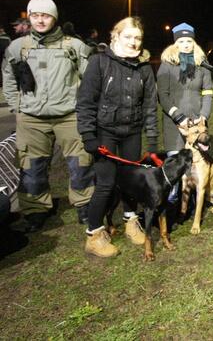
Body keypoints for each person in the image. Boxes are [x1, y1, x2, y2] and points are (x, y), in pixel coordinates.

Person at [2, 0, 94, 232]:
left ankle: (85, 205)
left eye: (46, 15)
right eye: (35, 15)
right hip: (31, 119)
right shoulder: (17, 47)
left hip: (69, 116)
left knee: (81, 163)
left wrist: (85, 108)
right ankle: (35, 210)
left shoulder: (73, 46)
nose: (40, 20)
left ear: (54, 17)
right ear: (29, 17)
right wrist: (18, 108)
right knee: (31, 167)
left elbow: (90, 80)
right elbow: (9, 79)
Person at [76, 16, 159, 257]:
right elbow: (85, 102)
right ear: (115, 36)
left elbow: (150, 107)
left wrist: (152, 140)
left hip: (132, 132)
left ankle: (131, 221)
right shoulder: (99, 63)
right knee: (106, 183)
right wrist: (88, 134)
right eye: (128, 37)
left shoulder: (144, 68)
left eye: (138, 38)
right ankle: (94, 234)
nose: (134, 42)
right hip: (105, 133)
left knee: (132, 181)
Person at [157, 23, 213, 157]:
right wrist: (178, 116)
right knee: (177, 167)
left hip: (197, 123)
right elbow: (162, 95)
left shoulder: (202, 65)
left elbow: (208, 92)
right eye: (181, 41)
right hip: (174, 123)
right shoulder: (167, 65)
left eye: (189, 41)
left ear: (194, 43)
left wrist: (203, 115)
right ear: (175, 43)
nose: (186, 44)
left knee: (197, 167)